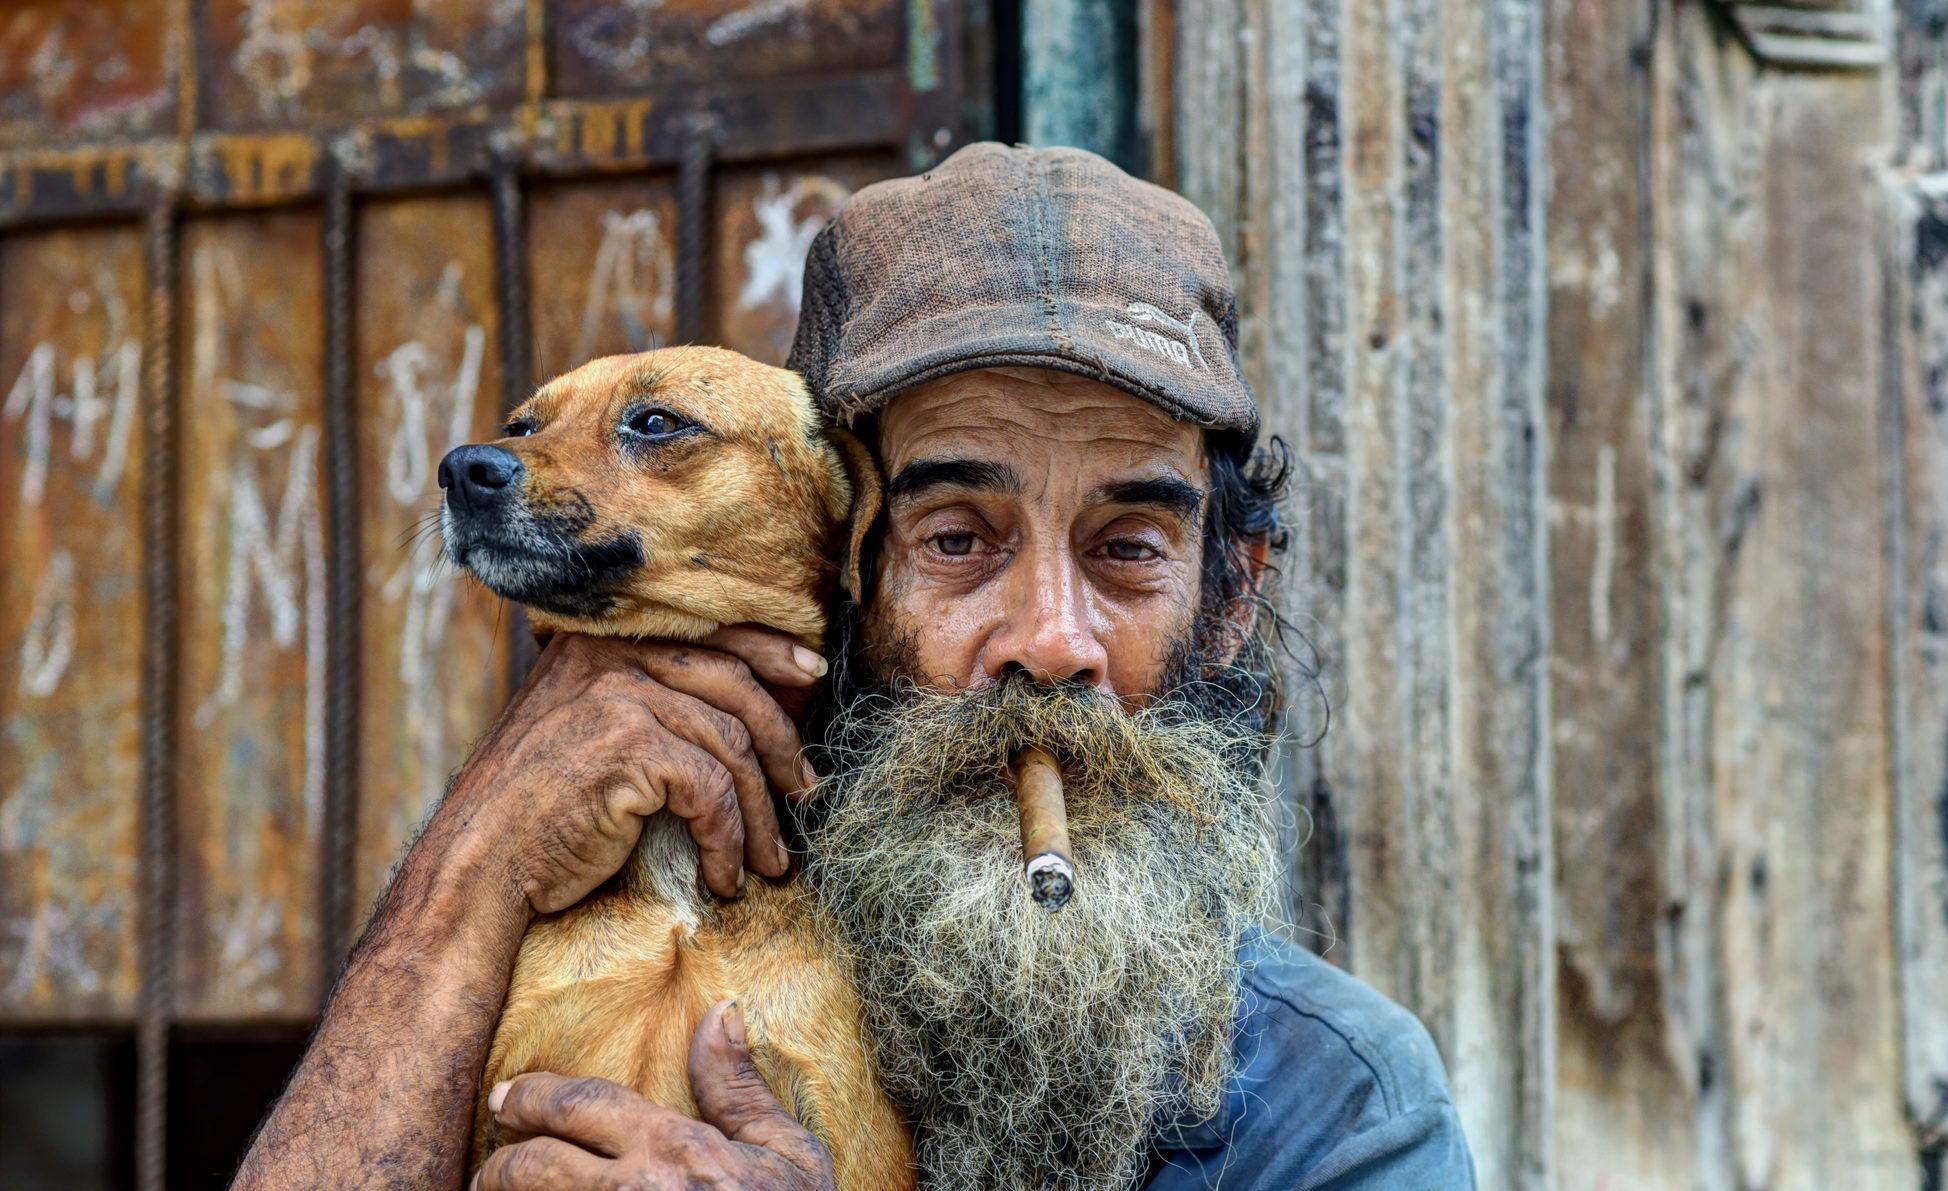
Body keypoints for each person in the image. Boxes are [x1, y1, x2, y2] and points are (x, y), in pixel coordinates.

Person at [235, 143, 1474, 1190]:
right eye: (954, 539)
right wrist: (471, 865)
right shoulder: (562, 919)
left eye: (1128, 549)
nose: (1051, 642)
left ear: (1228, 596)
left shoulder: (1334, 1103)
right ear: (840, 557)